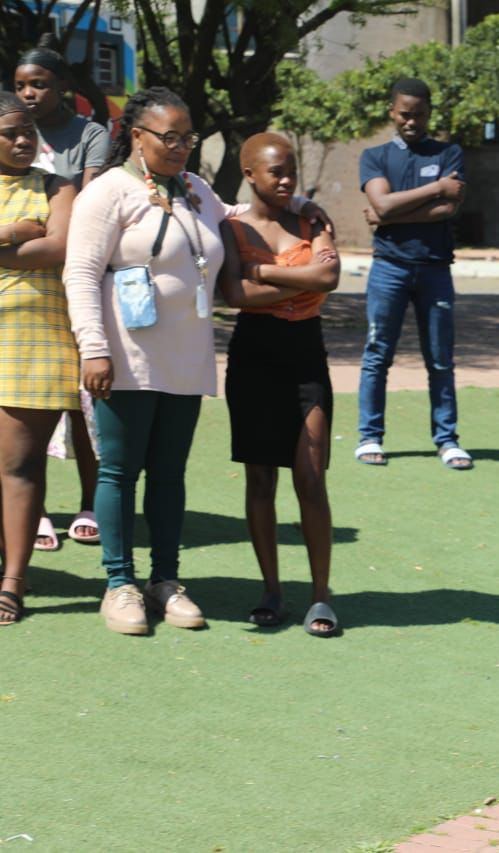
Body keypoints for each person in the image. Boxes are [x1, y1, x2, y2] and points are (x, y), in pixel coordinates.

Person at [63, 87, 329, 635]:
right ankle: (119, 586)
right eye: (170, 137)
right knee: (119, 470)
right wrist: (93, 347)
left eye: (188, 137)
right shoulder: (108, 192)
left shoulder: (194, 189)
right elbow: (81, 273)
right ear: (136, 136)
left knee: (169, 473)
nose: (182, 146)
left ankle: (165, 582)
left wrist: (300, 205)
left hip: (185, 358)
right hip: (126, 357)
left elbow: (239, 214)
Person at [217, 132, 341, 637]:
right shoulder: (232, 227)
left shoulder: (312, 219)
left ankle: (321, 596)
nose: (287, 178)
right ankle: (271, 588)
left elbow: (329, 280)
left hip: (306, 354)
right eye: (276, 172)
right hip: (254, 357)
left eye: (291, 169)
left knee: (311, 478)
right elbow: (234, 293)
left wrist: (264, 270)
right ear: (250, 175)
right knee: (261, 480)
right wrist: (301, 275)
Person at [14, 37, 110, 551]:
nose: (30, 94)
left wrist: (45, 231)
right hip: (21, 281)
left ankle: (91, 501)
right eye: (21, 86)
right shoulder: (10, 134)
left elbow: (88, 206)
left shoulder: (89, 134)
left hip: (76, 273)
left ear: (63, 88)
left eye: (40, 84)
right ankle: (38, 512)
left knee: (82, 398)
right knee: (27, 402)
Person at [355, 78, 469, 470]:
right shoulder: (375, 157)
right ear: (392, 111)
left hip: (435, 269)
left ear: (429, 113)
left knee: (440, 360)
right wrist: (435, 188)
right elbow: (382, 204)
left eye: (419, 114)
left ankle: (447, 439)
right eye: (405, 114)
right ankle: (370, 436)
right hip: (389, 268)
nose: (412, 121)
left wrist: (389, 214)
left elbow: (449, 209)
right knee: (377, 356)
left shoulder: (450, 152)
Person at [0, 94, 77, 625]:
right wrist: (13, 233)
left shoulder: (57, 186)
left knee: (20, 465)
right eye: (11, 132)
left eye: (28, 131)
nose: (24, 140)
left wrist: (38, 238)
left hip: (37, 340)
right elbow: (36, 242)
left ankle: (13, 580)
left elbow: (60, 247)